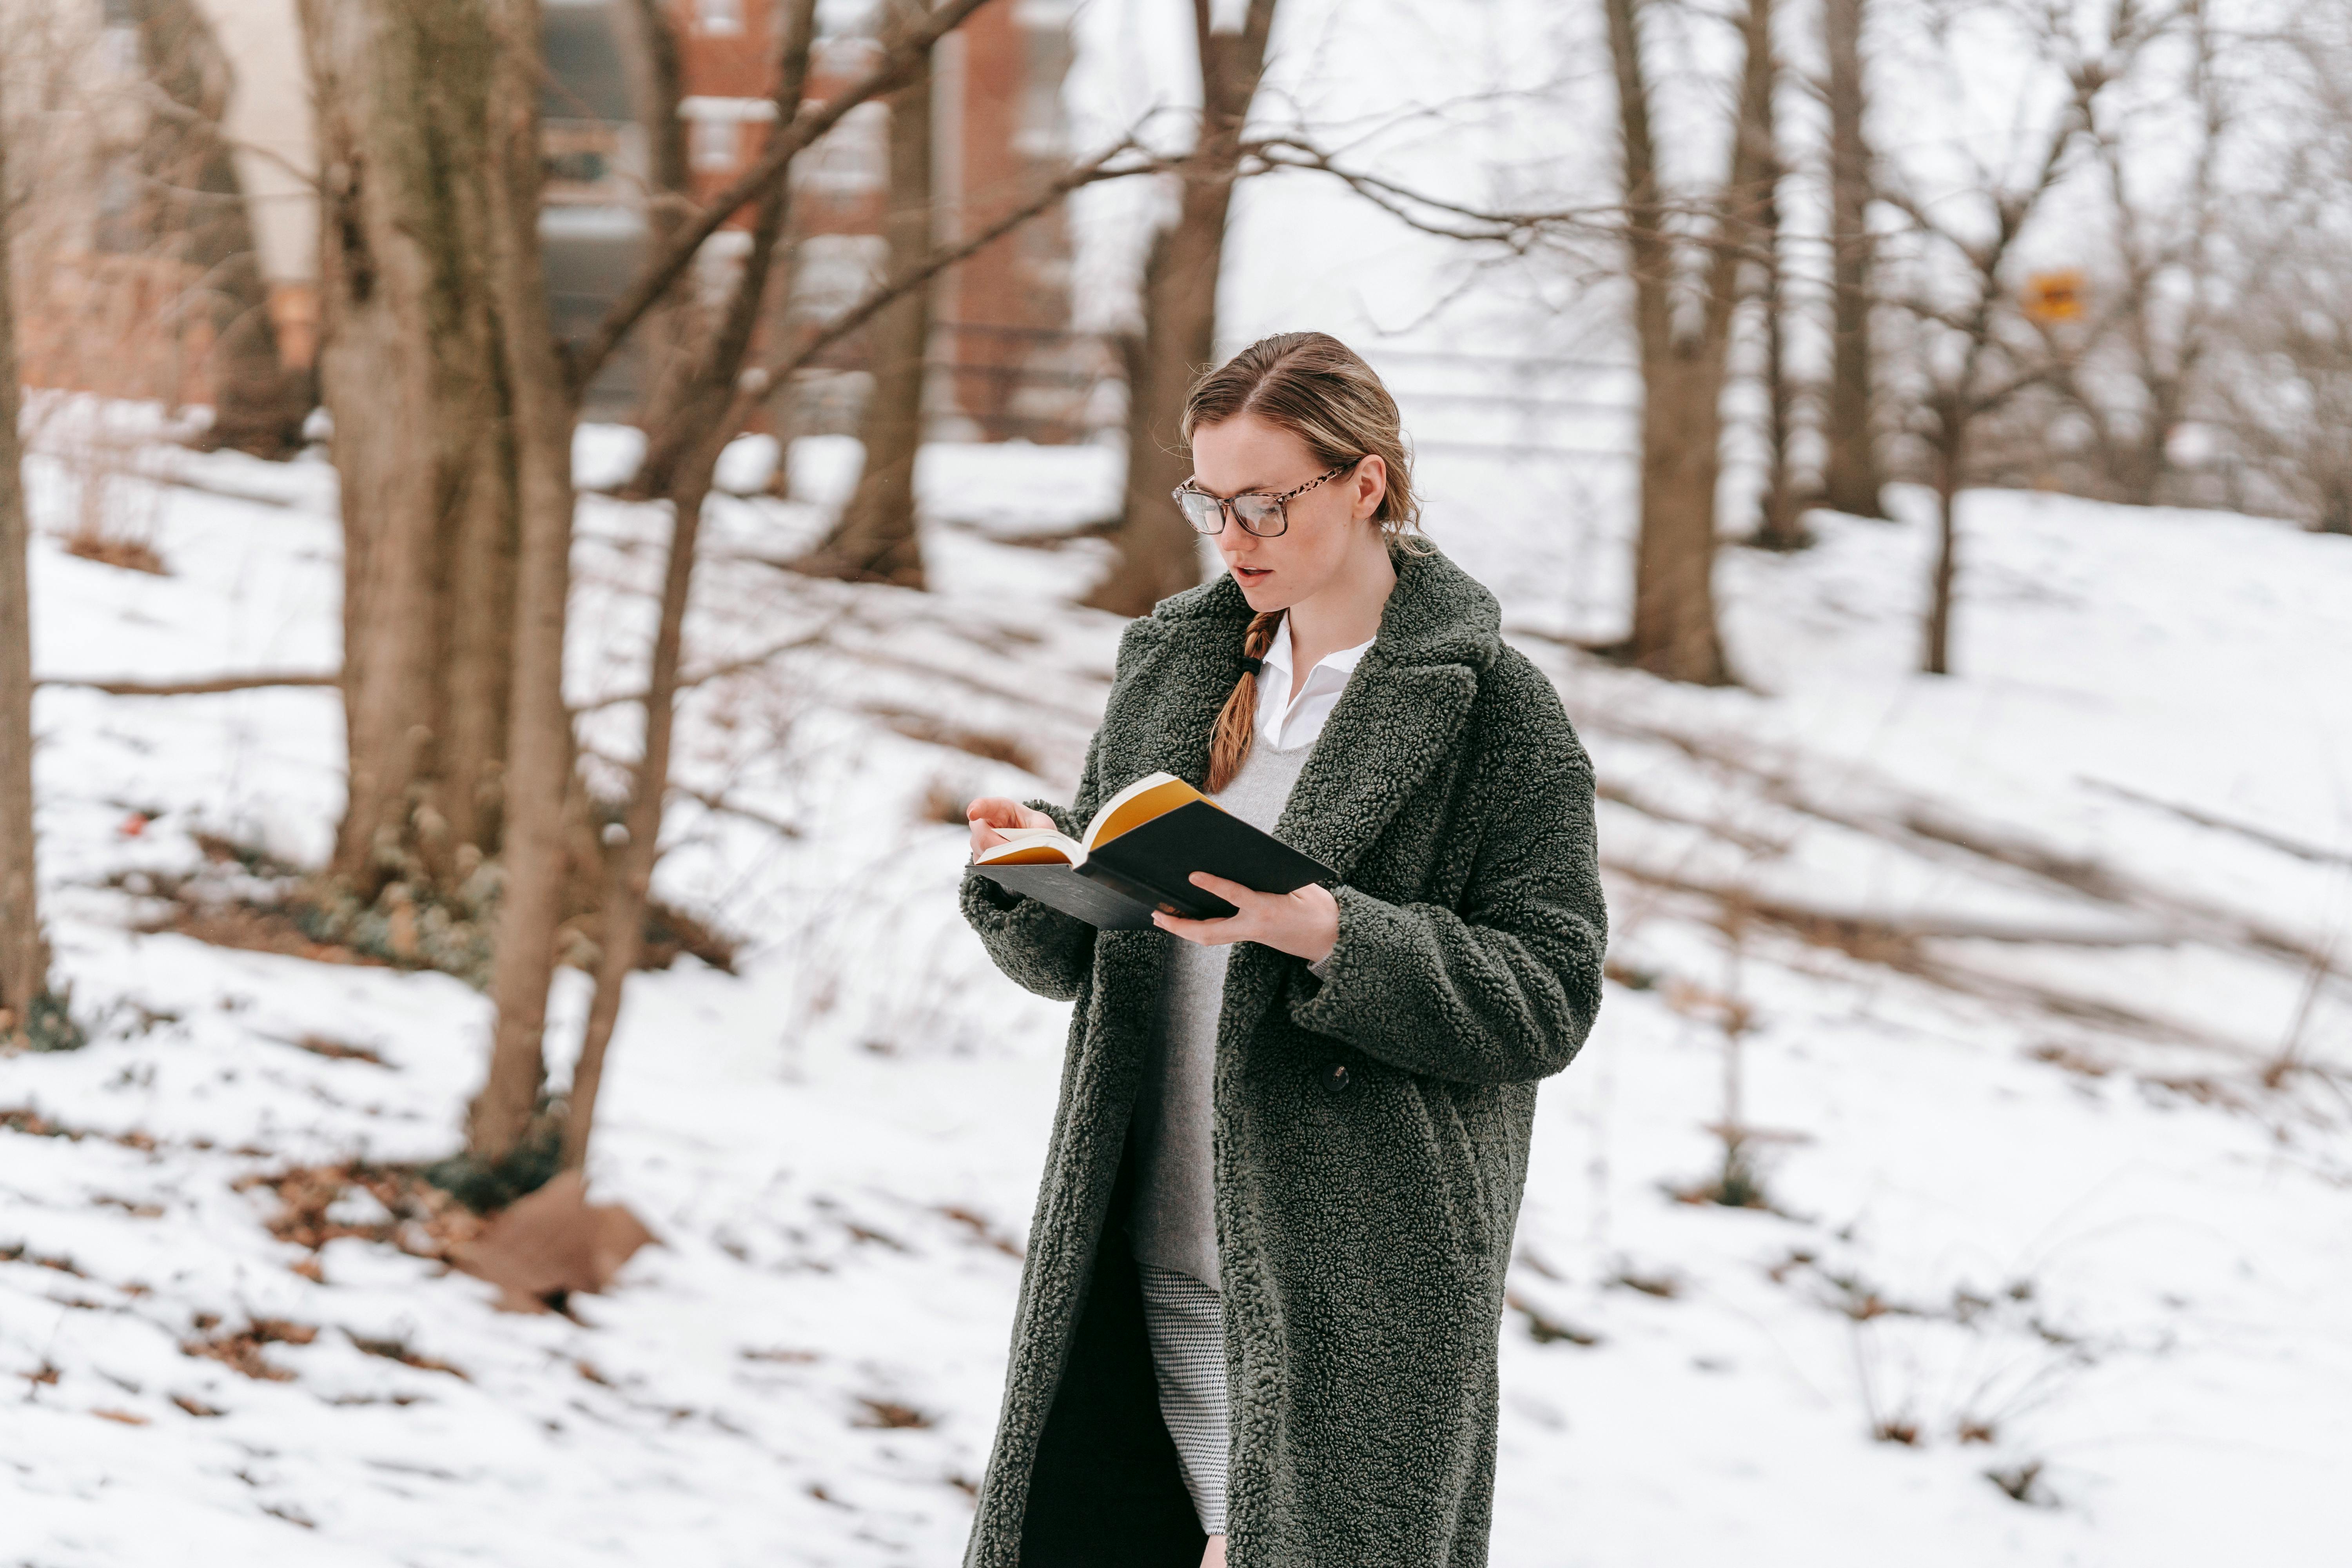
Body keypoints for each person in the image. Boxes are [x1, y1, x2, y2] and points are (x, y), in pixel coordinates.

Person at [958, 331, 1607, 1567]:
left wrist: (1328, 931)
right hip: (1136, 1247)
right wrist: (1037, 869)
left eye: (1267, 502)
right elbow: (1078, 968)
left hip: (1345, 1287)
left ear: (1365, 484)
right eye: (1212, 501)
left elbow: (1550, 997)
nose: (1235, 535)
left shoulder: (1494, 708)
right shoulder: (1176, 673)